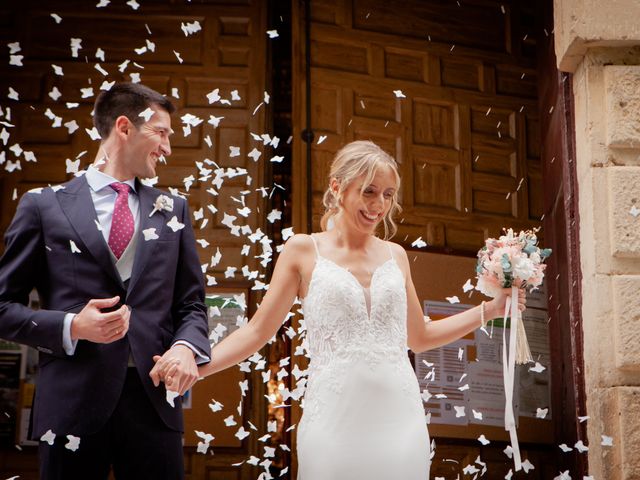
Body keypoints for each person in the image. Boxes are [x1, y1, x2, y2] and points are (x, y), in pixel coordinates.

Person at [153, 140, 527, 479]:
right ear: (337, 188)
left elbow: (420, 337)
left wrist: (490, 310)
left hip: (400, 421)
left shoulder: (396, 256)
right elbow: (257, 332)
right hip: (332, 419)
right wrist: (198, 368)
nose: (378, 204)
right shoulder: (302, 250)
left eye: (387, 194)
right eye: (368, 191)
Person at [0, 82, 210, 479]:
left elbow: (192, 305)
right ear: (125, 127)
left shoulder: (174, 210)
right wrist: (72, 325)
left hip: (154, 405)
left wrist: (186, 347)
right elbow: (1, 307)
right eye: (161, 132)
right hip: (70, 404)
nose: (167, 148)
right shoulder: (43, 206)